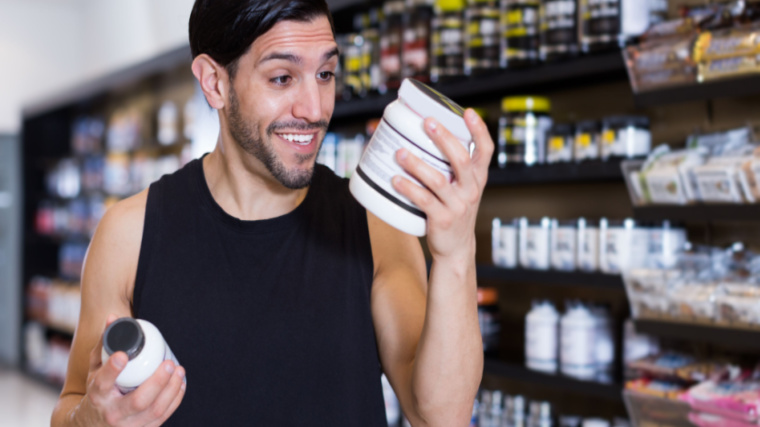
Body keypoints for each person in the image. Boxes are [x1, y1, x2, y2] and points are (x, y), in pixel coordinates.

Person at [51, 0, 494, 425]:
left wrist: (456, 256)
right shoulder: (129, 233)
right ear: (214, 82)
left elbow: (440, 417)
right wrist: (91, 419)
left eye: (325, 73)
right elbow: (72, 404)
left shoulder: (373, 227)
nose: (315, 109)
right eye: (282, 78)